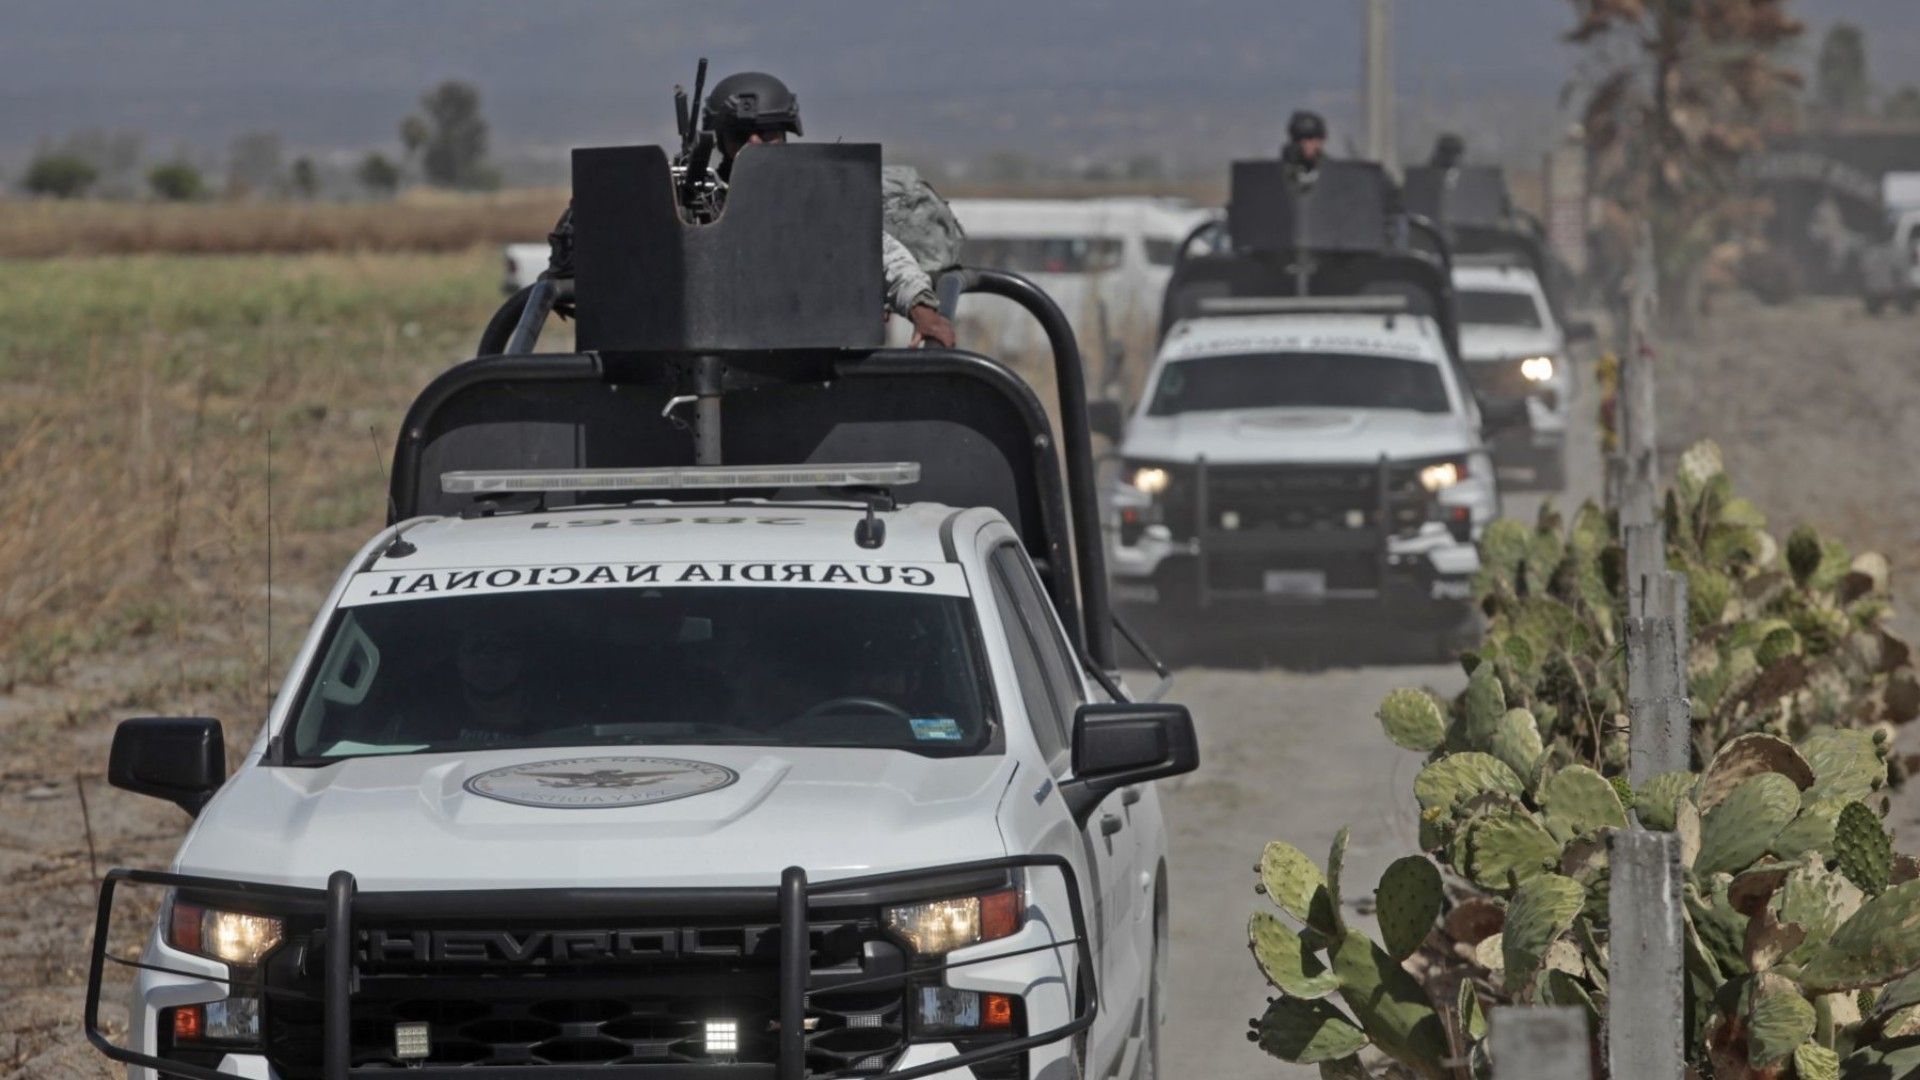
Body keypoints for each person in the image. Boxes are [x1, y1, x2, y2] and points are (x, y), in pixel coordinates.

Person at [702, 71, 956, 347]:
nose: (753, 144)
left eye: (767, 133)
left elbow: (880, 255)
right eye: (739, 135)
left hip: (805, 352)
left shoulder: (814, 199)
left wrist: (922, 310)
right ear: (720, 140)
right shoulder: (698, 203)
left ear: (784, 135)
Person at [1280, 110, 1329, 186]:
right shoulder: (1283, 172)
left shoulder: (1330, 170)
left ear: (1321, 140)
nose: (1304, 143)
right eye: (1298, 138)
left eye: (1310, 137)